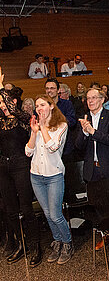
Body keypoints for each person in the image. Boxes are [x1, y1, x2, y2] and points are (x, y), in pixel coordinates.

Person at [75, 88, 109, 254]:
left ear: (101, 100)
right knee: (99, 205)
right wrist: (84, 132)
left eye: (93, 98)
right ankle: (105, 234)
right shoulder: (85, 119)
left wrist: (93, 132)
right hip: (93, 169)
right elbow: (78, 146)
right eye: (88, 99)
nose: (90, 101)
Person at [0, 69, 42, 267]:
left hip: (20, 166)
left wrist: (1, 87)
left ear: (12, 102)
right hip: (3, 167)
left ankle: (35, 246)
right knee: (10, 210)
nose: (2, 106)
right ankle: (20, 244)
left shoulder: (23, 118)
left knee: (26, 209)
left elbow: (13, 110)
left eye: (4, 102)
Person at [25, 94, 74, 264]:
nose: (39, 109)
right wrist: (34, 132)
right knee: (47, 213)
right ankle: (57, 242)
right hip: (36, 175)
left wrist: (44, 128)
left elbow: (52, 147)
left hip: (54, 175)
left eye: (42, 105)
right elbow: (28, 152)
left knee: (55, 214)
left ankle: (67, 243)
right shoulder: (35, 126)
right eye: (37, 106)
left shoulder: (61, 125)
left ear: (51, 106)